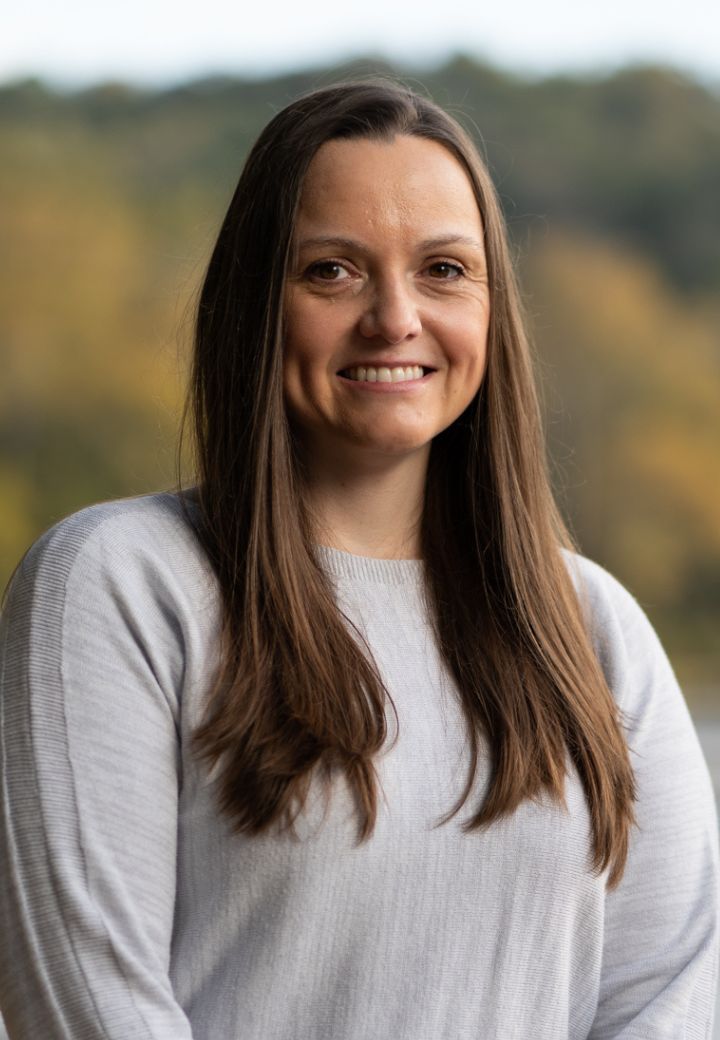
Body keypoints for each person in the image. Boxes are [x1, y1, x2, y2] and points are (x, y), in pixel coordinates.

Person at [0, 79, 717, 1040]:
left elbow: (671, 994)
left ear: (493, 311)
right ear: (255, 305)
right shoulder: (118, 587)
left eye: (444, 270)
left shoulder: (590, 626)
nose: (394, 317)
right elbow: (88, 1004)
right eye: (333, 271)